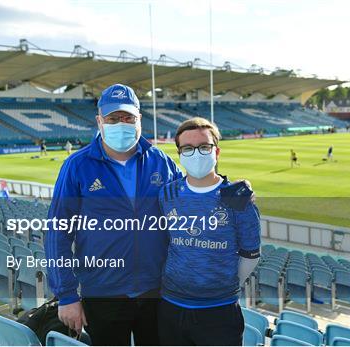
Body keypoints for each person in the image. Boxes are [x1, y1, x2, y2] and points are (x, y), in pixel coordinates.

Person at [45, 84, 183, 346]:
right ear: (100, 121)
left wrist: (227, 191)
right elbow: (57, 232)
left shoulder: (161, 162)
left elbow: (192, 201)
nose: (122, 123)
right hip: (103, 293)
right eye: (113, 118)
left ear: (139, 119)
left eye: (128, 117)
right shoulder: (77, 166)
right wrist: (66, 295)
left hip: (157, 292)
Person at [157, 118, 261, 346]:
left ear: (217, 151)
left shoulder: (237, 196)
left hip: (219, 313)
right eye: (188, 148)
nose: (196, 154)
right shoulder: (167, 193)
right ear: (180, 154)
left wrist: (224, 286)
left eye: (204, 147)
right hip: (170, 307)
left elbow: (251, 253)